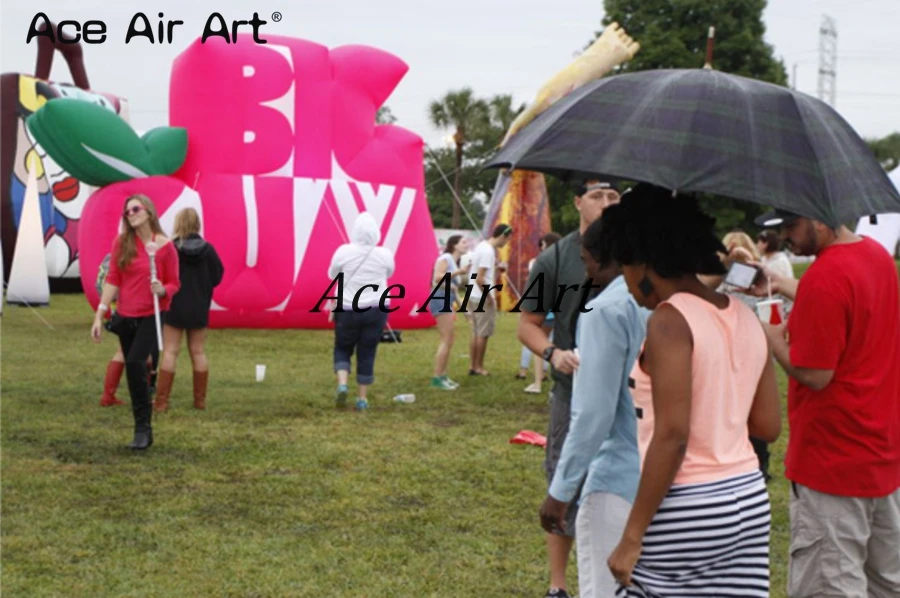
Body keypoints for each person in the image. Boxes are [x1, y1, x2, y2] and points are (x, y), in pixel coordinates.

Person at [602, 184, 781, 597]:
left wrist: (632, 536)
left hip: (688, 505)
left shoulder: (669, 322)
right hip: (749, 500)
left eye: (623, 267)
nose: (624, 281)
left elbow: (673, 436)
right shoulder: (745, 316)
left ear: (642, 263)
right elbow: (768, 426)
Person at [754, 208, 900, 597]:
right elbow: (846, 297)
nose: (785, 236)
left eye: (791, 226)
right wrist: (782, 284)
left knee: (830, 583)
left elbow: (815, 374)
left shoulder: (824, 275)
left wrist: (771, 339)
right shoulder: (876, 256)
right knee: (886, 583)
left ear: (819, 218)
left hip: (831, 460)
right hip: (880, 454)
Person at [517, 180, 621, 598]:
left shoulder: (642, 251)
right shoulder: (554, 258)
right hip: (571, 388)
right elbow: (528, 324)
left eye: (614, 196)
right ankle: (559, 585)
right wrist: (553, 353)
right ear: (577, 202)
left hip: (632, 391)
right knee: (564, 478)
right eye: (597, 195)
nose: (607, 202)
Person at [539, 217, 650, 598]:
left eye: (587, 260)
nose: (585, 270)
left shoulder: (606, 309)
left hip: (618, 478)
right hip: (672, 478)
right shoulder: (676, 301)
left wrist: (560, 489)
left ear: (607, 259)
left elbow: (592, 415)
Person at [91, 194, 180, 450]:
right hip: (126, 315)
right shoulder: (122, 243)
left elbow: (175, 282)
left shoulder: (165, 247)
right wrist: (100, 313)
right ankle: (142, 426)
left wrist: (163, 289)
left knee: (134, 361)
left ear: (149, 212)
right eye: (126, 212)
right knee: (133, 370)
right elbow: (114, 278)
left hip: (152, 314)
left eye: (135, 209)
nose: (130, 214)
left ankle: (143, 428)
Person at [154, 208, 224, 413]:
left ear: (178, 223)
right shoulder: (209, 250)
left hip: (174, 306)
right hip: (199, 306)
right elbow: (217, 276)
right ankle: (199, 401)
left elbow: (163, 276)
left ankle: (162, 402)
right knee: (198, 352)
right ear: (197, 224)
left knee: (170, 351)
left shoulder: (171, 249)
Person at [328, 212, 395, 411]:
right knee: (367, 351)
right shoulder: (384, 254)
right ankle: (362, 399)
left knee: (342, 347)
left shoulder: (343, 251)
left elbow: (332, 274)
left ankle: (342, 383)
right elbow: (389, 272)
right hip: (376, 308)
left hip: (347, 307)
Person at [464, 224, 513, 376]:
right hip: (481, 296)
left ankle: (473, 366)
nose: (506, 243)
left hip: (473, 294)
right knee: (483, 334)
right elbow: (480, 278)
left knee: (476, 331)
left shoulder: (481, 246)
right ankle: (479, 367)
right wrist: (489, 296)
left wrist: (496, 269)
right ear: (503, 236)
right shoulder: (488, 251)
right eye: (507, 239)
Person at [518, 233, 561, 394]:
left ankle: (537, 383)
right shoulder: (562, 262)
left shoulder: (542, 263)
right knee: (559, 345)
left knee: (539, 347)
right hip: (558, 311)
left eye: (542, 245)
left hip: (544, 311)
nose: (541, 248)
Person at [428, 234, 469, 390]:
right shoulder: (446, 257)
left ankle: (443, 375)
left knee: (450, 339)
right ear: (454, 245)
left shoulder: (454, 261)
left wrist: (463, 309)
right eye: (463, 242)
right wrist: (459, 272)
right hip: (439, 299)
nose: (466, 245)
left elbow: (452, 288)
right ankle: (437, 378)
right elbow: (437, 278)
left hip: (446, 299)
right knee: (446, 339)